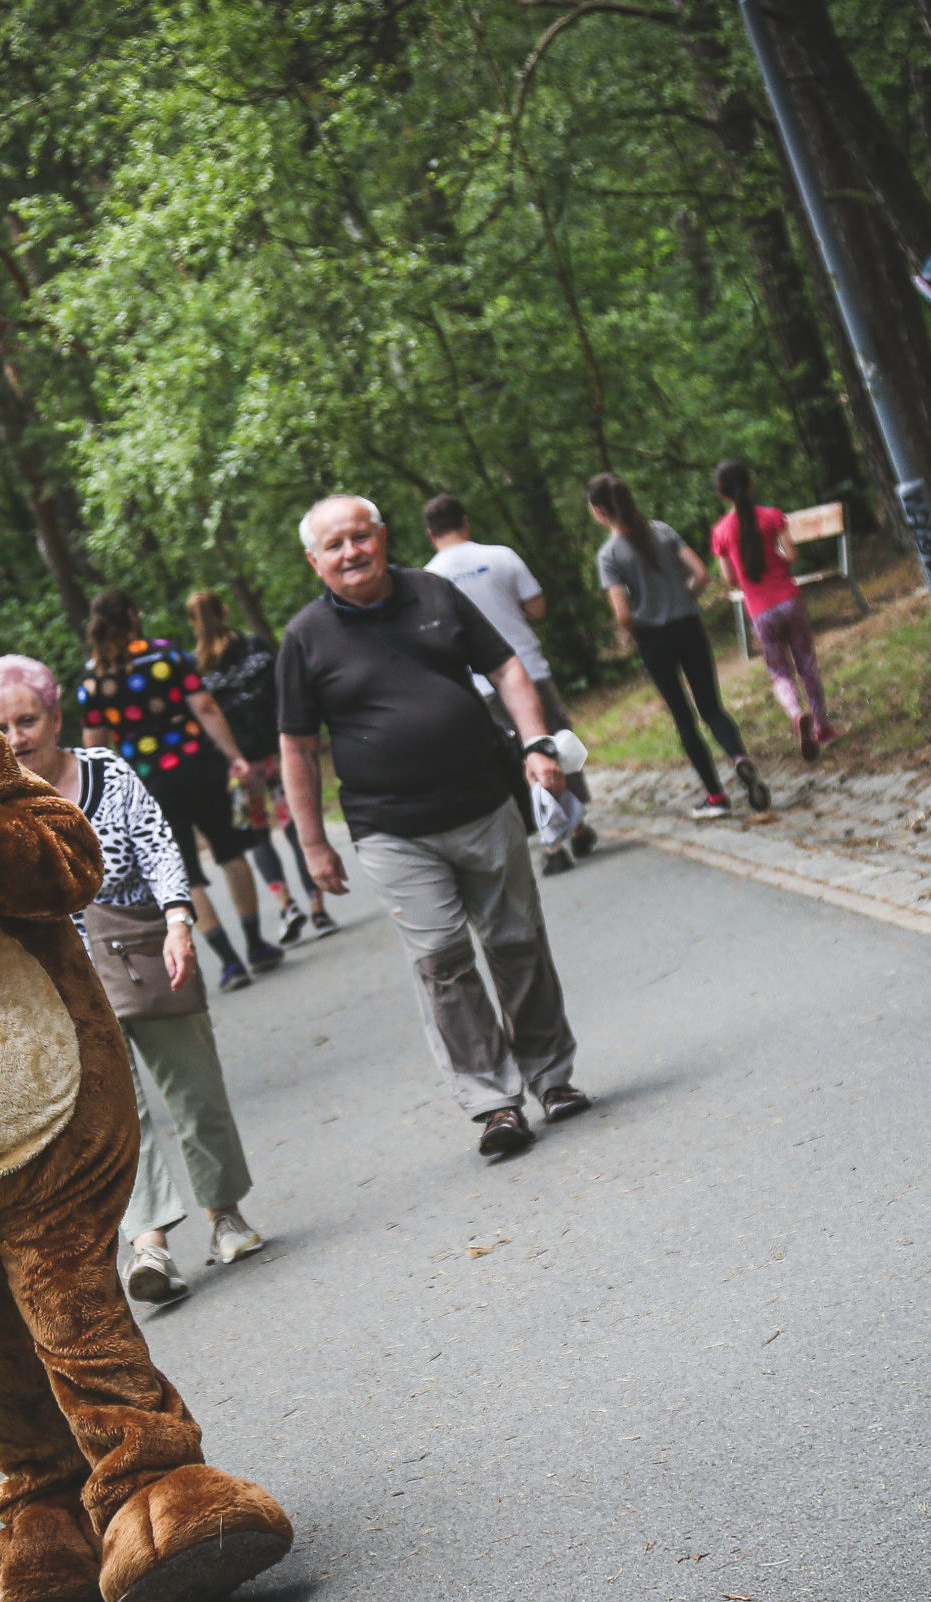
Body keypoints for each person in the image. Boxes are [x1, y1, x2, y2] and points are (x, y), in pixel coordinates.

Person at [278, 494, 591, 1160]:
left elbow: (506, 665)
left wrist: (536, 742)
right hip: (390, 828)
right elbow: (298, 747)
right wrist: (313, 843)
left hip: (483, 801)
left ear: (384, 537)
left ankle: (552, 1078)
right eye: (334, 546)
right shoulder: (305, 637)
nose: (351, 552)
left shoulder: (437, 594)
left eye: (360, 537)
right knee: (443, 959)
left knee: (516, 941)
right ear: (314, 560)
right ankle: (494, 1102)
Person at [0, 654, 266, 1305]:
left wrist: (180, 918)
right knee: (113, 1115)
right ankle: (148, 1242)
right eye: (0, 726)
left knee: (197, 1092)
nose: (16, 736)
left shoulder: (106, 770)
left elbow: (158, 842)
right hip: (62, 980)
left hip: (147, 950)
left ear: (54, 717)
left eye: (27, 719)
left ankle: (225, 1214)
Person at [77, 589, 285, 990]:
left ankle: (229, 962)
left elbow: (95, 743)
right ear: (134, 616)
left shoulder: (93, 678)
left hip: (149, 783)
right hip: (201, 766)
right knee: (230, 850)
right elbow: (205, 707)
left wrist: (105, 793)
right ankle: (256, 943)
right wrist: (235, 755)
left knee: (185, 871)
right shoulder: (167, 655)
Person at [422, 493, 596, 877]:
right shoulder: (501, 556)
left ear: (430, 535)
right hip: (528, 669)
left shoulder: (429, 579)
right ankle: (579, 827)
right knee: (554, 746)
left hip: (480, 686)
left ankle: (552, 845)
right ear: (465, 523)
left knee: (520, 756)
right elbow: (537, 607)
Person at [588, 473, 770, 821]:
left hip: (653, 639)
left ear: (598, 510)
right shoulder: (662, 530)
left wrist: (639, 627)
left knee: (682, 715)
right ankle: (739, 757)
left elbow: (621, 613)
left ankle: (716, 796)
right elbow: (701, 574)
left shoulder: (609, 555)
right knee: (711, 707)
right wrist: (683, 601)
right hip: (689, 626)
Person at [186, 589, 336, 939]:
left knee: (255, 837)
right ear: (225, 611)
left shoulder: (195, 668)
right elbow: (285, 694)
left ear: (194, 623)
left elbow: (202, 718)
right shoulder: (257, 648)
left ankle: (287, 905)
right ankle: (317, 907)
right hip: (278, 754)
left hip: (239, 767)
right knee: (295, 827)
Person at [710, 460, 839, 761]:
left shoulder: (720, 532)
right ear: (751, 484)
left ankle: (796, 714)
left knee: (780, 672)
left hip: (761, 610)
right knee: (806, 663)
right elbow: (791, 554)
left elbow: (729, 579)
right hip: (789, 600)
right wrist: (776, 557)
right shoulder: (771, 516)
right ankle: (822, 727)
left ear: (721, 495)